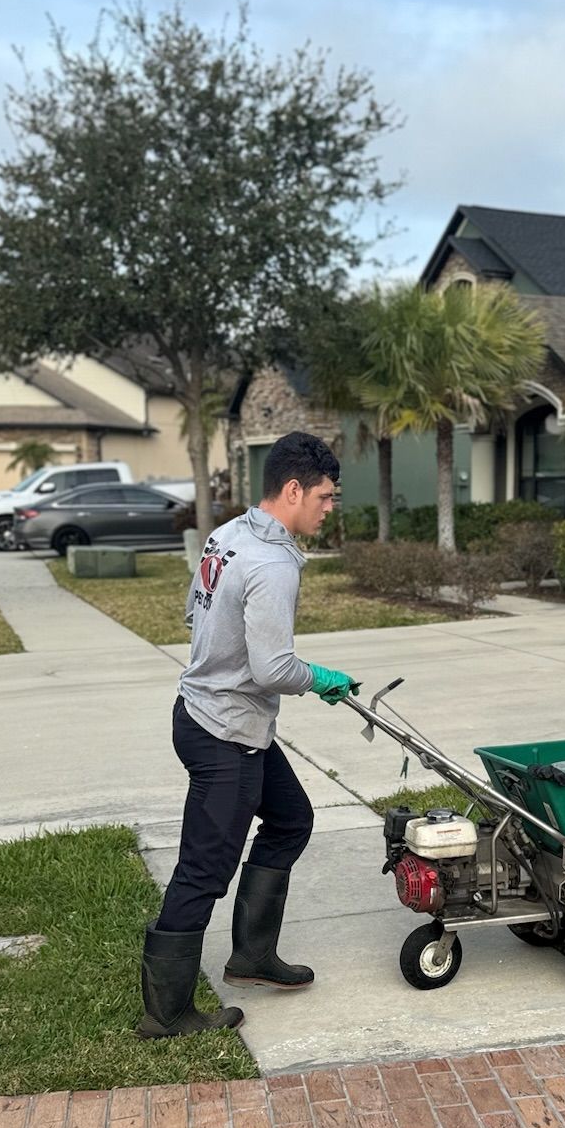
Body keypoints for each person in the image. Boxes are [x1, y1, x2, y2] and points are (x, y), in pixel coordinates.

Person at [137, 431, 357, 1038]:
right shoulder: (273, 563)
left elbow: (193, 607)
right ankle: (168, 1012)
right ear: (293, 490)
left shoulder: (227, 535)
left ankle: (252, 957)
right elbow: (272, 670)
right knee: (203, 871)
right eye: (325, 496)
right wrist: (322, 678)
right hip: (225, 732)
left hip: (215, 716)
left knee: (291, 819)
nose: (329, 507)